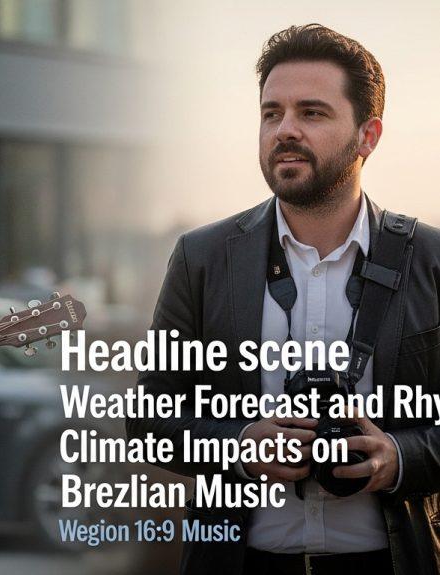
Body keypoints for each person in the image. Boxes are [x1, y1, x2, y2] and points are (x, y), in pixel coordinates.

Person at [127, 24, 440, 575]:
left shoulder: (432, 259)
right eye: (272, 113)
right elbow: (149, 420)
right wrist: (242, 444)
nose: (284, 130)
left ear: (368, 135)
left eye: (311, 113)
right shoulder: (201, 257)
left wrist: (399, 457)